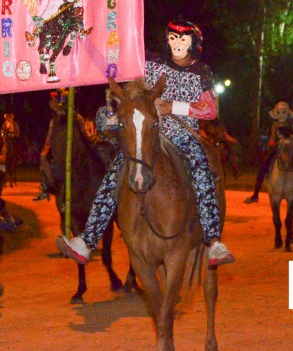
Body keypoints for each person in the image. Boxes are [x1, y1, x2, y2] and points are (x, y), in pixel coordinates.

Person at [56, 17, 234, 267]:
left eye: (183, 39)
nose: (177, 43)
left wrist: (174, 107)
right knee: (113, 175)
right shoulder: (151, 62)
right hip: (147, 134)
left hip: (183, 135)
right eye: (173, 38)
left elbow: (210, 109)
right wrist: (86, 37)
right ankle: (87, 240)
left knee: (202, 172)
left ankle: (213, 241)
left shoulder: (201, 72)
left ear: (193, 43)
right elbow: (117, 60)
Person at [245, 102, 293, 203]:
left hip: (291, 149)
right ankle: (255, 195)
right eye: (279, 112)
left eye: (283, 112)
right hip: (278, 148)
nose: (282, 114)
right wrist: (272, 142)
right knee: (263, 166)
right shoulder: (275, 125)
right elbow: (273, 138)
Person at [33, 90, 91, 201]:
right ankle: (46, 188)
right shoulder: (56, 121)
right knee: (44, 158)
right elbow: (50, 139)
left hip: (75, 154)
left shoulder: (76, 118)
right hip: (61, 155)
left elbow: (84, 135)